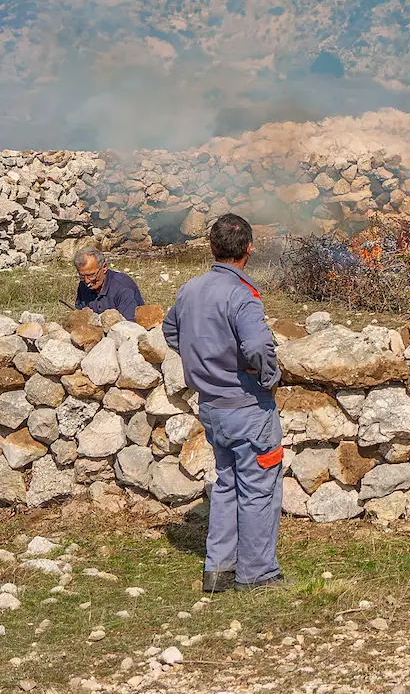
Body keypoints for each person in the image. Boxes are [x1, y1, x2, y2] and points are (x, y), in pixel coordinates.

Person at [161, 214, 283, 593]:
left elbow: (170, 330)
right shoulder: (241, 295)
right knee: (259, 487)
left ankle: (218, 571)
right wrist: (269, 377)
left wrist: (200, 358)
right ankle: (257, 574)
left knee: (228, 483)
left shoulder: (189, 290)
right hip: (247, 405)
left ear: (212, 248)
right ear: (249, 248)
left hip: (211, 406)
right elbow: (259, 346)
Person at [72, 247, 145, 317]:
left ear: (104, 268)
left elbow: (129, 325)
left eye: (91, 275)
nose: (87, 281)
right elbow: (80, 315)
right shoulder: (83, 285)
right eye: (82, 276)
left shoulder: (123, 287)